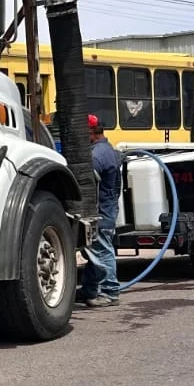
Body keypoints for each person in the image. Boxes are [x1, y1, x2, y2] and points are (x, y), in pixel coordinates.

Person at [78, 114, 121, 308]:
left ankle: (110, 292)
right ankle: (89, 289)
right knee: (94, 252)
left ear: (91, 132)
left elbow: (86, 184)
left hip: (100, 211)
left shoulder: (96, 156)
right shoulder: (108, 150)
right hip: (108, 208)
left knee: (102, 252)